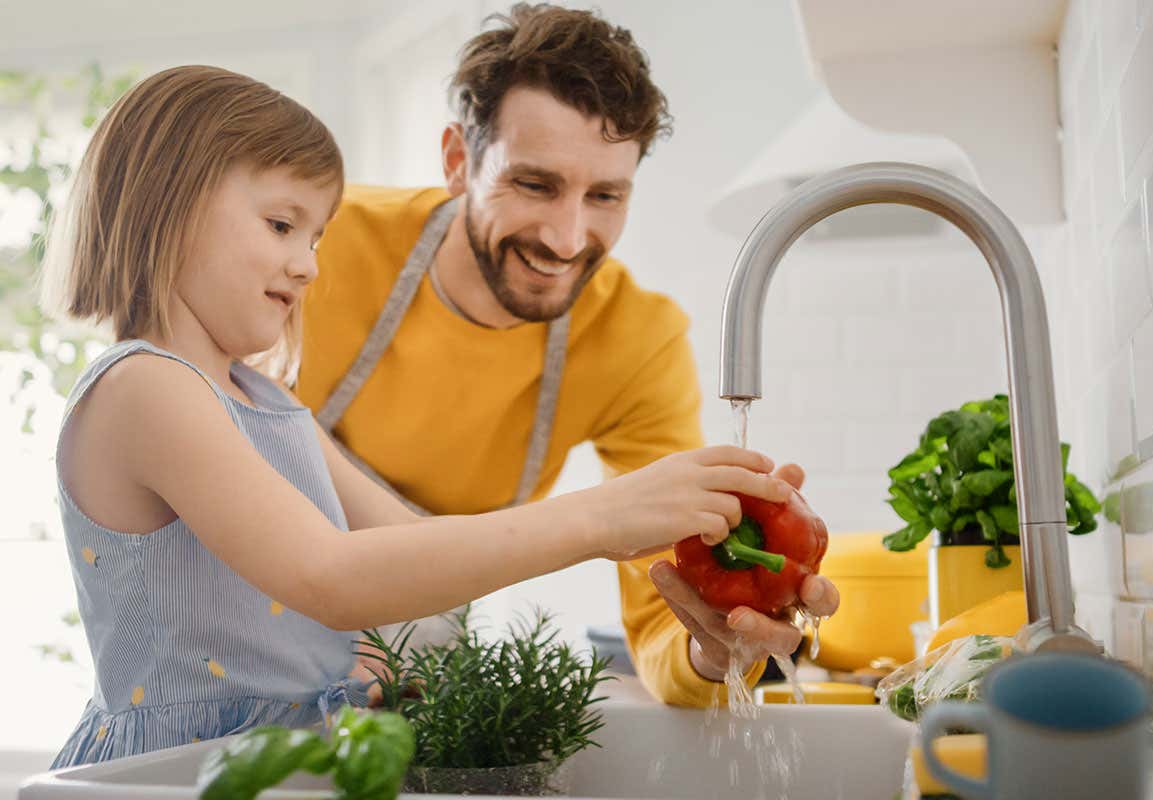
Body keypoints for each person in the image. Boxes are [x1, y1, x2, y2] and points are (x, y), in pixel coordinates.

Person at [40, 64, 798, 768]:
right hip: (167, 775)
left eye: (316, 236)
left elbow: (413, 557)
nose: (308, 263)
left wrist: (700, 544)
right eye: (281, 226)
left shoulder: (266, 403)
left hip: (287, 766)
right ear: (168, 206)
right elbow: (328, 575)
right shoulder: (148, 388)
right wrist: (600, 519)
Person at [295, 2, 839, 707]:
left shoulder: (635, 340)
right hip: (232, 647)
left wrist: (713, 649)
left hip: (402, 687)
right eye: (535, 184)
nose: (566, 237)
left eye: (605, 195)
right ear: (460, 160)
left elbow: (658, 621)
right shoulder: (321, 244)